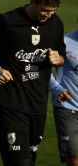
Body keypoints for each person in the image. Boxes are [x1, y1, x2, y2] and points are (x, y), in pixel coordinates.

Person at [0, 0, 65, 166]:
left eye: (52, 12)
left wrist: (58, 59)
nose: (48, 15)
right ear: (32, 1)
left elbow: (61, 54)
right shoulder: (7, 22)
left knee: (30, 160)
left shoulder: (56, 24)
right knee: (20, 162)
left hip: (38, 104)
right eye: (45, 10)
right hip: (10, 102)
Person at [49, 28, 78, 166]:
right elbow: (43, 69)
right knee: (74, 159)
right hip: (67, 108)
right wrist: (56, 89)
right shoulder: (64, 42)